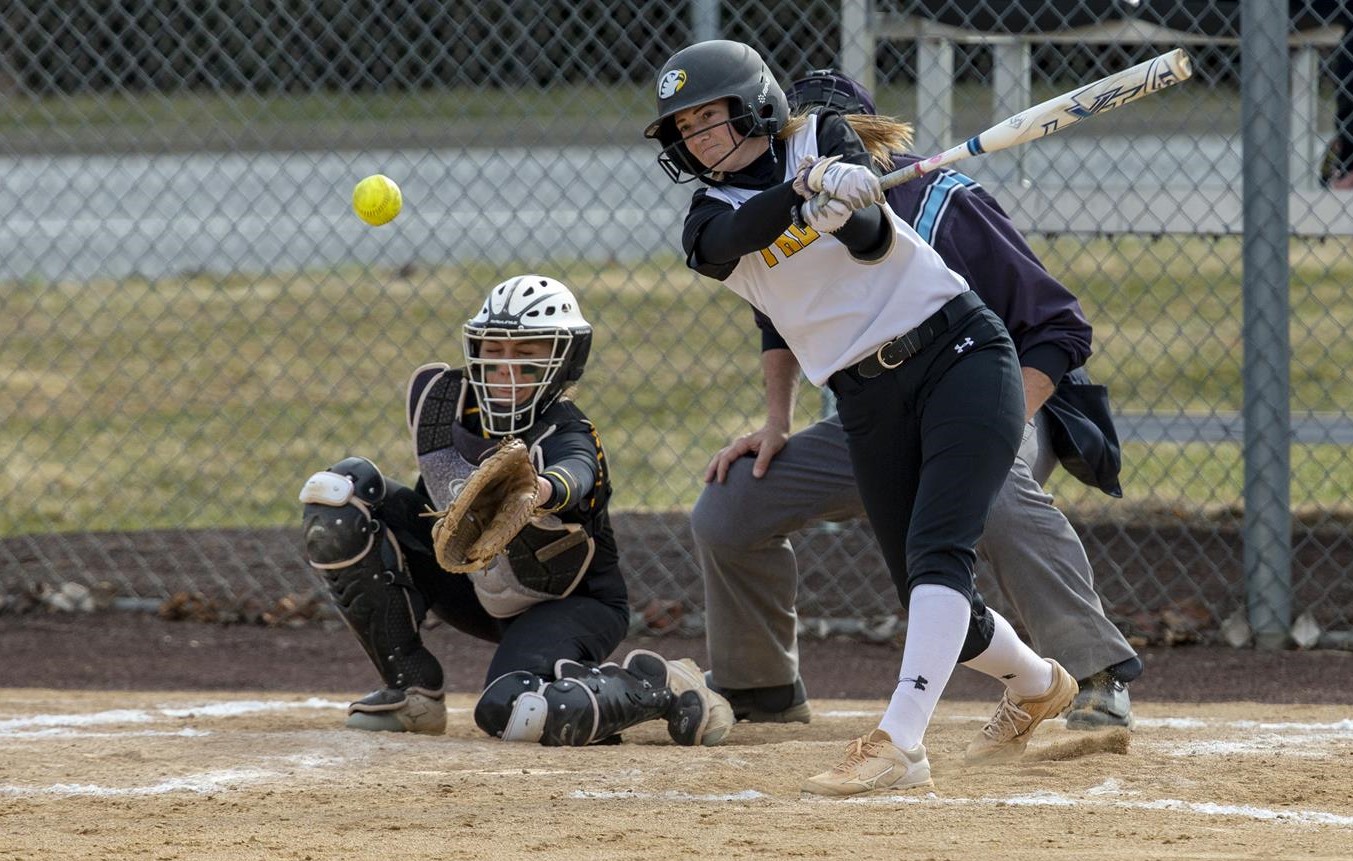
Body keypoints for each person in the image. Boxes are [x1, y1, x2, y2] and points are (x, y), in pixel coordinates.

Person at [645, 40, 1078, 796]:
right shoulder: (706, 216)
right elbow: (730, 241)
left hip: (958, 351)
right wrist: (800, 195)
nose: (698, 136)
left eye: (709, 117)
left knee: (940, 552)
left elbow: (875, 245)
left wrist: (845, 201)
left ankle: (899, 743)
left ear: (757, 104)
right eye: (684, 128)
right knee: (925, 597)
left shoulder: (823, 138)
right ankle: (1041, 683)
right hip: (865, 396)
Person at [299, 274, 733, 747]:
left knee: (512, 711)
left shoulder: (568, 432)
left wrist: (541, 489)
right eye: (496, 352)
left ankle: (659, 685)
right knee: (339, 494)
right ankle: (412, 691)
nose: (506, 370)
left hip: (571, 604)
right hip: (472, 580)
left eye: (526, 359)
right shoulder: (444, 407)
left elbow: (579, 470)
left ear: (564, 362)